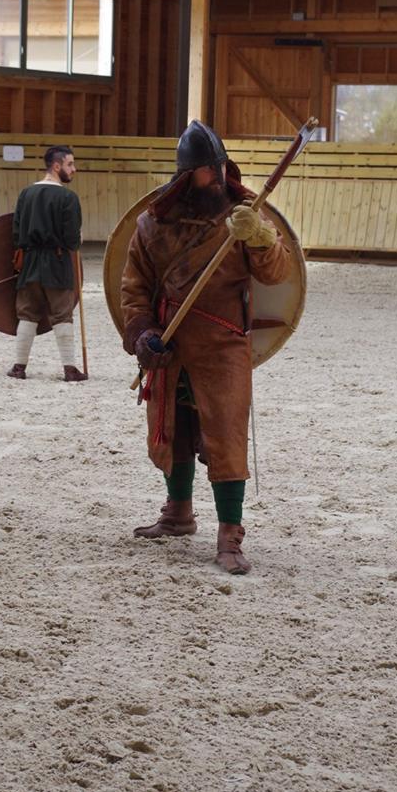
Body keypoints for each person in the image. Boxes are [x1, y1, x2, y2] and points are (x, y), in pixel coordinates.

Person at [120, 120, 291, 573]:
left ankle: (230, 537)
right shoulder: (153, 223)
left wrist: (260, 238)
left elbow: (277, 274)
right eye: (206, 169)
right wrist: (142, 335)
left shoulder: (244, 214)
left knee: (226, 439)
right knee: (169, 428)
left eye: (219, 166)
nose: (216, 175)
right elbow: (134, 287)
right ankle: (178, 513)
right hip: (169, 343)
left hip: (222, 346)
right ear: (185, 174)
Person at [7, 145, 87, 382]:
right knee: (62, 314)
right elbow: (72, 239)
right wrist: (77, 239)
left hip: (29, 264)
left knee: (27, 314)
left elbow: (16, 234)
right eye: (70, 164)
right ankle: (70, 369)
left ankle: (19, 367)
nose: (74, 169)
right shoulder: (68, 198)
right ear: (56, 165)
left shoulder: (26, 194)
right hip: (57, 263)